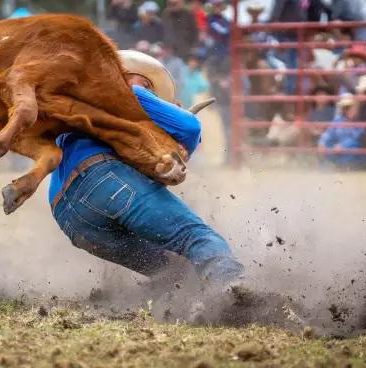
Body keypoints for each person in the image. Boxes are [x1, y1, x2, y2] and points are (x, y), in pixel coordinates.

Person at [49, 50, 243, 284]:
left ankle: (201, 305)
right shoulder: (125, 92)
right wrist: (180, 149)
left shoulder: (79, 106)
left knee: (175, 272)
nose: (150, 92)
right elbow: (189, 127)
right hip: (103, 178)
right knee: (196, 238)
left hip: (70, 220)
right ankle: (233, 290)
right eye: (147, 85)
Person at [318, 94, 366, 168]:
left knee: (354, 149)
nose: (347, 109)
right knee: (325, 148)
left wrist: (343, 145)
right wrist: (322, 143)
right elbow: (328, 133)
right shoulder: (338, 120)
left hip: (352, 152)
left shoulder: (360, 120)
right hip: (338, 150)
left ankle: (343, 166)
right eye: (345, 107)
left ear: (356, 107)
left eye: (350, 107)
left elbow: (357, 138)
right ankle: (329, 167)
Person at [206, 0, 230, 66]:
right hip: (215, 49)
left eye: (219, 5)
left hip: (225, 48)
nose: (218, 8)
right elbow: (222, 31)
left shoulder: (225, 19)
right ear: (213, 7)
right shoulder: (210, 18)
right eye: (216, 5)